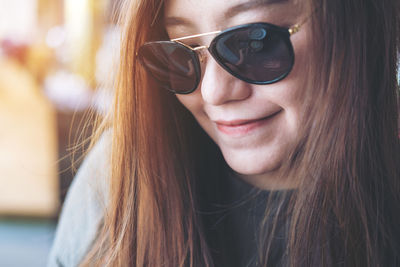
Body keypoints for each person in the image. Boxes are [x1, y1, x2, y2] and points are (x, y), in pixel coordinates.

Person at [48, 0, 400, 266]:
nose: (213, 92)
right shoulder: (121, 172)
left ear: (357, 27)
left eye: (254, 43)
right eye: (181, 52)